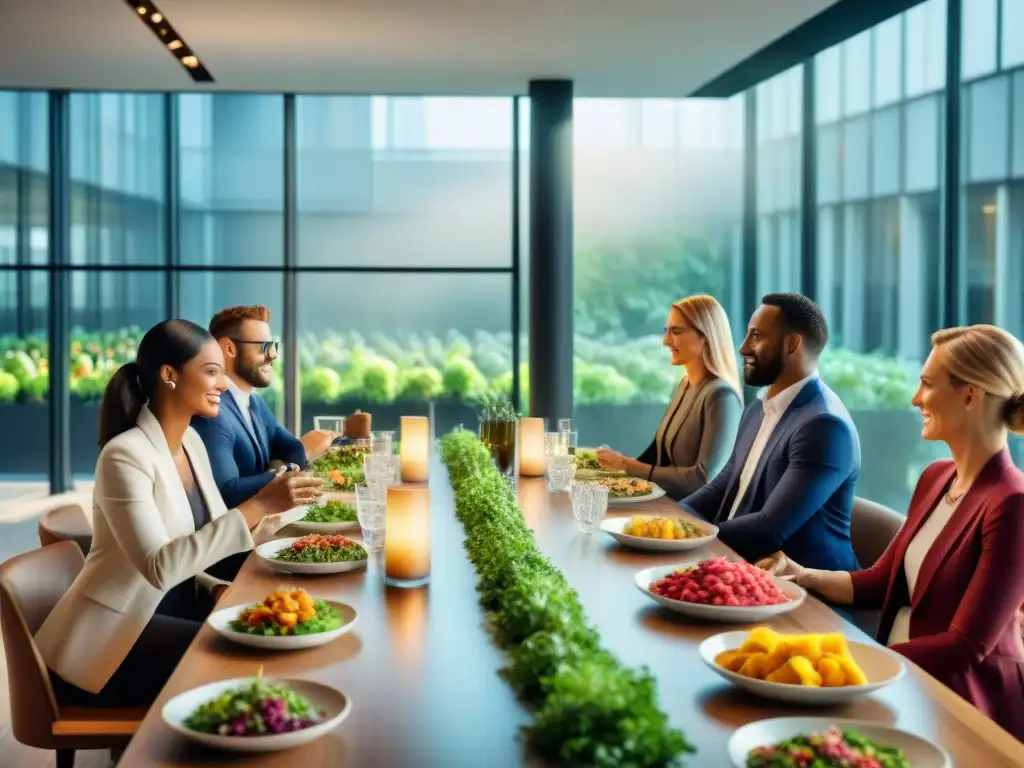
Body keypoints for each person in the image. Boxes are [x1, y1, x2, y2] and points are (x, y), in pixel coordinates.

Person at [33, 320, 323, 708]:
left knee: (276, 636)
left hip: (177, 607)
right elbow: (160, 566)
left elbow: (204, 541)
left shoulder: (189, 442)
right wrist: (260, 504)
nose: (223, 384)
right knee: (249, 658)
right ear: (169, 375)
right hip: (113, 641)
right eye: (211, 371)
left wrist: (215, 583)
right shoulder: (124, 457)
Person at [758, 325, 1024, 741]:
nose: (915, 399)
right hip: (898, 679)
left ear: (970, 395)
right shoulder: (937, 478)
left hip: (961, 706)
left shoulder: (1013, 503)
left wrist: (849, 658)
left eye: (927, 384)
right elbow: (882, 582)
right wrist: (802, 575)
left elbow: (965, 648)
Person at [679, 293, 861, 572]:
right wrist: (672, 520)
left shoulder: (824, 426)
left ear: (792, 344)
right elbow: (726, 482)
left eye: (756, 336)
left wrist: (688, 538)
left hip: (806, 597)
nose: (743, 348)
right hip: (739, 565)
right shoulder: (759, 409)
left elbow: (770, 528)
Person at [595, 295, 743, 499]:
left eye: (676, 331)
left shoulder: (722, 396)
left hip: (693, 516)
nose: (666, 341)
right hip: (667, 502)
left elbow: (702, 479)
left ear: (705, 336)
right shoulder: (685, 384)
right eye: (667, 331)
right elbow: (658, 452)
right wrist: (617, 467)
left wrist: (629, 466)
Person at [191, 305, 336, 509]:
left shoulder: (255, 403)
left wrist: (284, 465)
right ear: (229, 349)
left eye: (274, 345)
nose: (273, 355)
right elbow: (227, 492)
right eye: (264, 346)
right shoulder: (211, 410)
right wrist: (280, 470)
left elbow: (292, 450)